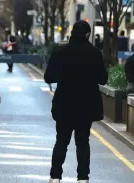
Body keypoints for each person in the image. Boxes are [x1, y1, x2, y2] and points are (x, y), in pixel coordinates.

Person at [44, 20, 108, 183]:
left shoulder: (60, 51)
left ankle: (55, 176)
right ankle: (82, 178)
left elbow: (48, 77)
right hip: (86, 106)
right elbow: (103, 79)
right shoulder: (94, 53)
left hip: (64, 104)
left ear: (72, 32)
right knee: (83, 142)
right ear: (88, 34)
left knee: (61, 141)